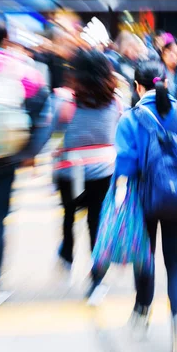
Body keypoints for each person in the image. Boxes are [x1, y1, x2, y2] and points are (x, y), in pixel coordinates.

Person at [114, 60, 177, 352]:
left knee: (145, 257)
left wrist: (117, 205)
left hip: (143, 200)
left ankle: (142, 312)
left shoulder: (129, 120)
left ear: (137, 87)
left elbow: (124, 167)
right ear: (166, 83)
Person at [0, 25, 52, 298]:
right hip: (8, 149)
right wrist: (30, 149)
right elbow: (41, 98)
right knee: (0, 213)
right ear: (6, 40)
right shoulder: (20, 66)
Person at [52, 51, 122, 293]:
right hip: (103, 172)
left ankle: (67, 254)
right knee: (96, 223)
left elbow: (50, 130)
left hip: (70, 171)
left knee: (69, 215)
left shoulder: (65, 102)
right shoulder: (115, 101)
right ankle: (97, 279)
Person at [106, 31, 141, 107]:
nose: (135, 53)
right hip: (119, 102)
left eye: (137, 51)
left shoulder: (131, 62)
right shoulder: (115, 60)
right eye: (133, 49)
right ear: (125, 45)